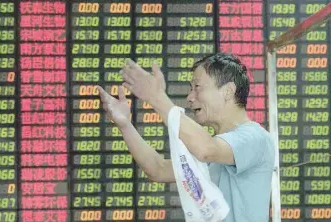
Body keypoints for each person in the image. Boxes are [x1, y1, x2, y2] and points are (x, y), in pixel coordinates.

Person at [97, 53, 275, 222]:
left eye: (197, 87)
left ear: (228, 91)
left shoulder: (255, 138)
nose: (190, 97)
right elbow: (157, 169)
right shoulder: (215, 151)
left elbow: (206, 149)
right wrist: (125, 125)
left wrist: (156, 97)